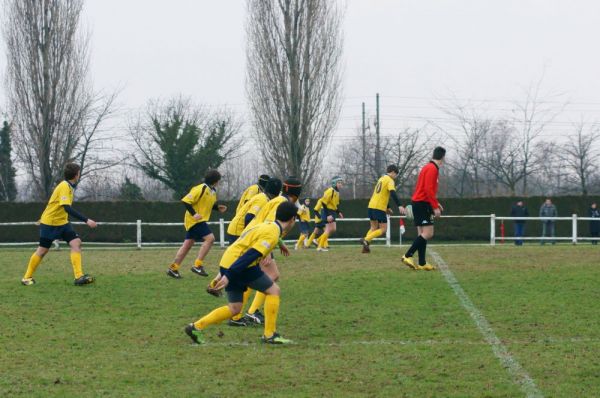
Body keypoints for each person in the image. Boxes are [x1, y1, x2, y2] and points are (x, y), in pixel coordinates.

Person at [185, 201, 299, 345]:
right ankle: (270, 335)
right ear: (292, 219)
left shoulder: (267, 225)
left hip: (228, 261)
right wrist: (227, 276)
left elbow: (243, 244)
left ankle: (195, 327)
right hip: (241, 267)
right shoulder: (272, 233)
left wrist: (223, 273)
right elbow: (250, 255)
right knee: (274, 290)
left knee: (235, 308)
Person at [21, 163, 97, 286]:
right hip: (50, 223)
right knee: (42, 251)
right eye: (79, 172)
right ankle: (26, 278)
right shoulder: (64, 186)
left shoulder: (69, 186)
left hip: (62, 223)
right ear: (76, 174)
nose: (79, 174)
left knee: (76, 242)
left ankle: (79, 277)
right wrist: (87, 220)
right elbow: (67, 208)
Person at [242, 176, 302, 324]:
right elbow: (269, 224)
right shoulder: (281, 203)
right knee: (271, 275)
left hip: (256, 238)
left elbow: (272, 225)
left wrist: (279, 243)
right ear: (297, 193)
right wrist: (266, 251)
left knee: (263, 275)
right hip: (258, 241)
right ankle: (250, 312)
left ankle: (240, 313)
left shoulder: (280, 201)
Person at [166, 170, 227, 279]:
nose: (219, 183)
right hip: (194, 220)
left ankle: (173, 268)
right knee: (210, 239)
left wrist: (217, 208)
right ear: (216, 181)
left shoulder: (212, 191)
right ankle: (197, 265)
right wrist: (194, 214)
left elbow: (207, 204)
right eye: (219, 181)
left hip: (199, 220)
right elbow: (185, 201)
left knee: (187, 245)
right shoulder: (200, 188)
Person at [401, 147, 446, 271]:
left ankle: (422, 262)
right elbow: (428, 189)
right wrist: (435, 206)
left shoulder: (427, 167)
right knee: (428, 233)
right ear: (442, 157)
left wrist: (436, 202)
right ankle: (407, 255)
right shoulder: (433, 169)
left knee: (422, 234)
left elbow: (426, 189)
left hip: (419, 202)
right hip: (422, 203)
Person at [360, 165, 406, 253]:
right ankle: (366, 239)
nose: (395, 177)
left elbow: (382, 194)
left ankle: (365, 248)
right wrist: (399, 205)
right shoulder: (390, 180)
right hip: (379, 207)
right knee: (383, 229)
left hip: (371, 206)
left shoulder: (381, 179)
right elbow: (392, 193)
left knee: (373, 228)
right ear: (392, 172)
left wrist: (388, 207)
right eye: (396, 174)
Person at [226, 178, 281, 246]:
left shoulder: (266, 199)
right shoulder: (262, 199)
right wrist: (250, 236)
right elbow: (249, 217)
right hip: (238, 232)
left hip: (241, 231)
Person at [316, 177, 344, 252]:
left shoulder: (337, 192)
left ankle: (318, 240)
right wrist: (328, 215)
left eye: (341, 183)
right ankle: (319, 247)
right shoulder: (329, 191)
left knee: (333, 229)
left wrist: (339, 212)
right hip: (326, 211)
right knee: (328, 229)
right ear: (334, 183)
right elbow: (323, 203)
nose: (340, 184)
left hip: (332, 211)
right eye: (339, 183)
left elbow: (335, 205)